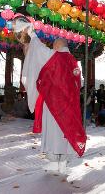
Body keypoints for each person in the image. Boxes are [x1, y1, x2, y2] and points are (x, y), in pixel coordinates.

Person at [15, 18, 86, 174]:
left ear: (58, 46)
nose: (52, 48)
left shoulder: (58, 57)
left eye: (53, 46)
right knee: (65, 132)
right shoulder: (73, 62)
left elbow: (40, 51)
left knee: (53, 132)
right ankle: (62, 164)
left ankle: (55, 162)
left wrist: (31, 34)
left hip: (54, 104)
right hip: (70, 106)